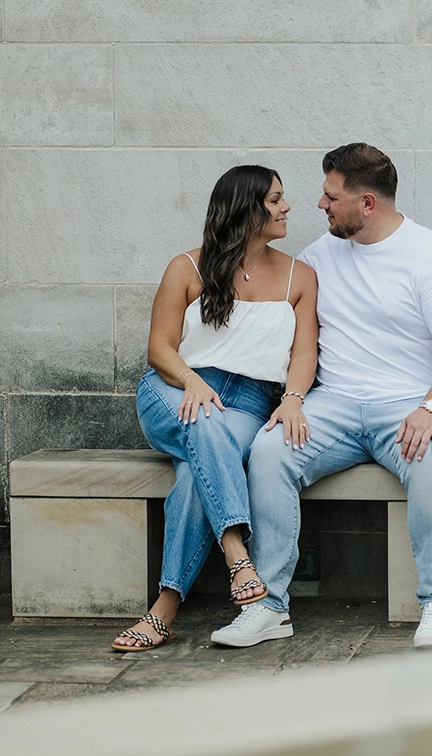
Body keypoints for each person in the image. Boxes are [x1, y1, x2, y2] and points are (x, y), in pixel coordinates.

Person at [210, 143, 432, 649]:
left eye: (331, 196)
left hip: (410, 405)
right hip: (332, 406)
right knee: (269, 453)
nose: (319, 205)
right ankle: (269, 607)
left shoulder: (431, 257)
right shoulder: (318, 257)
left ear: (368, 204)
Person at [111, 165, 319, 652]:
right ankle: (236, 553)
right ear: (244, 208)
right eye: (274, 200)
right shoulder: (187, 267)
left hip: (249, 401)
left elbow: (304, 352)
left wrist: (292, 399)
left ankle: (163, 611)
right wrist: (191, 382)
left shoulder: (299, 275)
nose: (286, 207)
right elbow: (160, 349)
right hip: (174, 390)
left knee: (194, 475)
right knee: (206, 421)